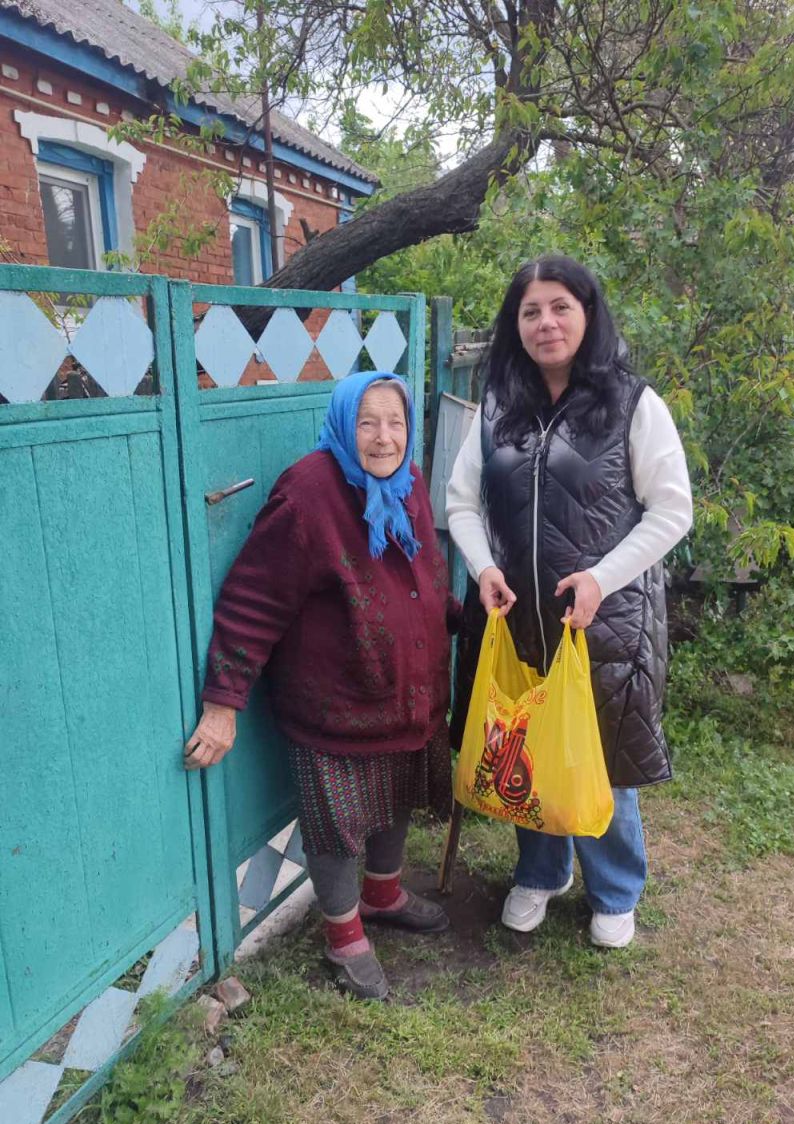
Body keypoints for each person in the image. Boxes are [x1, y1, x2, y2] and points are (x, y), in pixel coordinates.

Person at [185, 370, 459, 1000]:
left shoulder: (409, 482)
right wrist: (223, 702)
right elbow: (254, 598)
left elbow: (424, 569)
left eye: (395, 423)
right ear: (342, 425)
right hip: (337, 700)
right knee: (335, 824)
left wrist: (457, 617)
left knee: (398, 791)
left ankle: (383, 895)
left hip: (405, 691)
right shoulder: (308, 492)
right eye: (368, 423)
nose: (384, 438)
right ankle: (344, 936)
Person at [446, 255, 693, 949]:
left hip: (603, 620)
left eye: (560, 307)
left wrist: (600, 579)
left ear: (588, 314)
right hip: (516, 615)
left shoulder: (633, 404)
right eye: (530, 311)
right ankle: (542, 871)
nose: (546, 323)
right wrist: (483, 565)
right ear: (515, 325)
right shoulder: (497, 407)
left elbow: (672, 510)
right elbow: (461, 502)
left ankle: (614, 889)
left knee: (601, 752)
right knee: (524, 741)